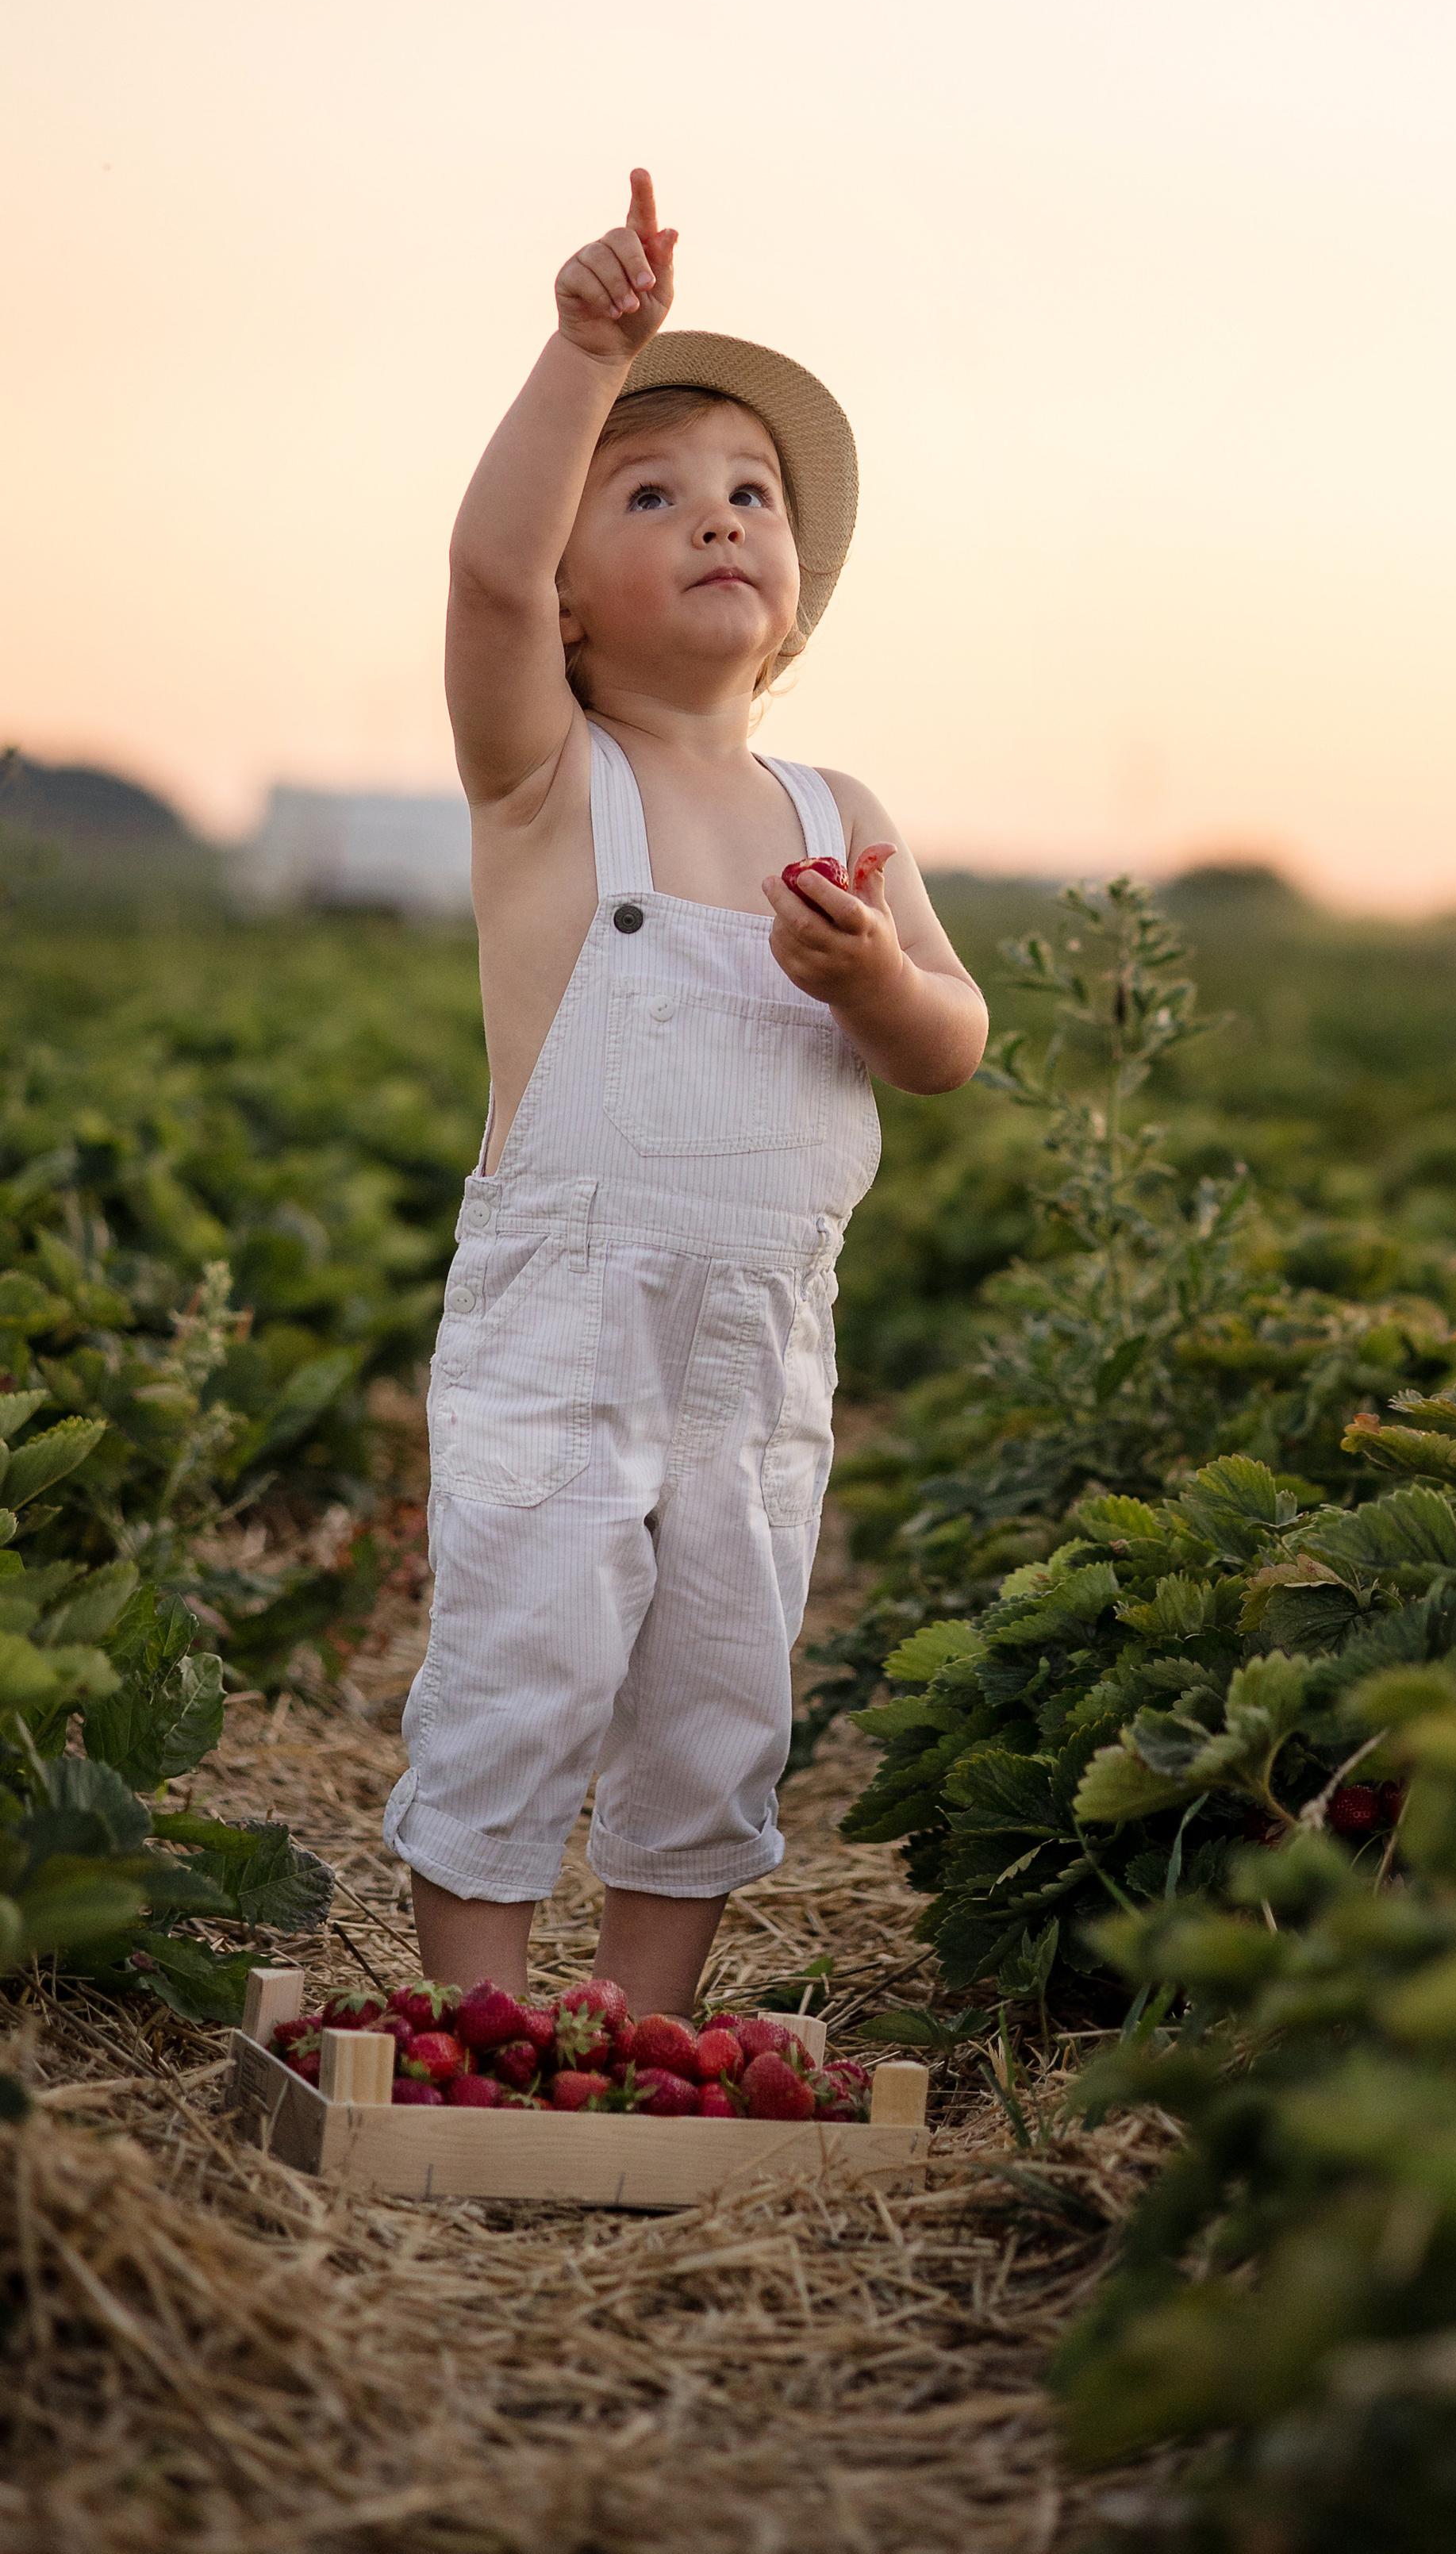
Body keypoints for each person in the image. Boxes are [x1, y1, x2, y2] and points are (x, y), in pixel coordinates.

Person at [382, 169, 988, 2011]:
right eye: (645, 497)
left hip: (754, 1351)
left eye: (750, 496)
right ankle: (477, 2028)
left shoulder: (840, 819)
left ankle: (648, 2033)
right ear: (567, 605)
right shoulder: (552, 785)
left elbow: (951, 1042)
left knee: (717, 1695)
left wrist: (873, 975)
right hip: (567, 1325)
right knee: (521, 1667)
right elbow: (480, 567)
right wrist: (586, 356)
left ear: (795, 582)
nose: (716, 517)